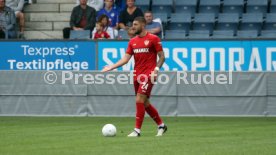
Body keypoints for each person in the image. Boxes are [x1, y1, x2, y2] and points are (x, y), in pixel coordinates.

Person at [102, 17, 167, 137]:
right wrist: (112, 67)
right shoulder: (132, 41)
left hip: (149, 74)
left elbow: (162, 57)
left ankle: (137, 130)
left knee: (139, 99)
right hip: (137, 75)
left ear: (143, 25)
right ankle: (161, 125)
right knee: (145, 102)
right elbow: (125, 59)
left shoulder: (153, 39)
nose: (133, 26)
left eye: (136, 24)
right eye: (133, 24)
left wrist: (156, 70)